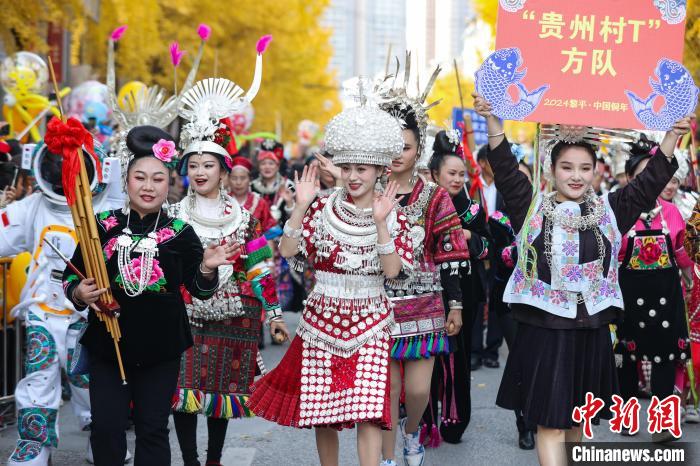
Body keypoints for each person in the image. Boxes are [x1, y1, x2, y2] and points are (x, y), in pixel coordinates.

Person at [473, 91, 693, 465]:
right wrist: (495, 121)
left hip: (591, 331)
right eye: (566, 167)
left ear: (595, 171)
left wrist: (672, 134)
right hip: (544, 331)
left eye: (584, 168)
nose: (575, 176)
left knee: (577, 423)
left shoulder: (612, 210)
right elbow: (507, 170)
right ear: (551, 170)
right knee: (550, 424)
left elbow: (649, 183)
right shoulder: (531, 207)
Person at [247, 102, 415, 466]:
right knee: (324, 411)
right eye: (348, 168)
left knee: (369, 408)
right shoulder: (321, 207)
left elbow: (392, 272)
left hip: (371, 321)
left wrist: (382, 223)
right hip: (321, 319)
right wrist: (300, 205)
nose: (354, 176)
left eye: (362, 169)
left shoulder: (394, 213)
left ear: (379, 170)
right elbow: (289, 251)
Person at [63, 125, 236, 466]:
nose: (148, 186)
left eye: (158, 179)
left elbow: (201, 291)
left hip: (161, 348)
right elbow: (73, 274)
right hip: (108, 346)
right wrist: (80, 293)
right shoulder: (99, 226)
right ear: (126, 181)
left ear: (169, 184)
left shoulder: (180, 233)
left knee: (153, 429)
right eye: (140, 177)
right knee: (107, 429)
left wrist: (207, 267)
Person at [169, 77, 290, 466]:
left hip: (235, 317)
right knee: (183, 392)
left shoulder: (244, 218)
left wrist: (273, 316)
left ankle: (215, 459)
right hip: (183, 315)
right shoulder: (173, 217)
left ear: (224, 172)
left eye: (208, 165)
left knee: (221, 395)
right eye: (194, 165)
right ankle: (189, 459)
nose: (200, 171)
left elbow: (259, 267)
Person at [3, 134, 124, 466]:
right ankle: (34, 442)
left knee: (88, 380)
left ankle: (101, 436)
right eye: (56, 165)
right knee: (38, 377)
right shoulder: (34, 207)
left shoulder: (108, 209)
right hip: (43, 308)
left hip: (90, 312)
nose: (62, 172)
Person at [375, 67, 468, 466]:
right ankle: (387, 458)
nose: (398, 152)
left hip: (425, 306)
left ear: (419, 149)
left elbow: (450, 252)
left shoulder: (434, 197)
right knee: (386, 392)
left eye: (407, 145)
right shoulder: (366, 190)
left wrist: (456, 305)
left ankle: (413, 432)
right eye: (391, 144)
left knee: (416, 392)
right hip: (376, 304)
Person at [615, 139, 693, 442]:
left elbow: (682, 253)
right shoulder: (619, 210)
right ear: (630, 180)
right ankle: (627, 418)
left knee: (665, 358)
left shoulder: (672, 213)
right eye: (642, 177)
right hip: (628, 296)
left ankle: (662, 424)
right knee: (628, 361)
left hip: (666, 295)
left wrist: (690, 280)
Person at [421, 129, 490, 446]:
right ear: (434, 173)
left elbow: (491, 247)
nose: (458, 179)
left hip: (465, 290)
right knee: (425, 356)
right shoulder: (422, 206)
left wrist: (469, 237)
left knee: (457, 357)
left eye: (462, 173)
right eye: (451, 173)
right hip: (426, 291)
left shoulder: (474, 210)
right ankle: (424, 417)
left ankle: (455, 420)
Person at [228, 156, 279, 239]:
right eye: (234, 178)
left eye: (243, 178)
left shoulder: (260, 203)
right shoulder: (223, 202)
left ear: (250, 179)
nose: (238, 182)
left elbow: (270, 233)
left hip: (255, 251)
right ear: (228, 179)